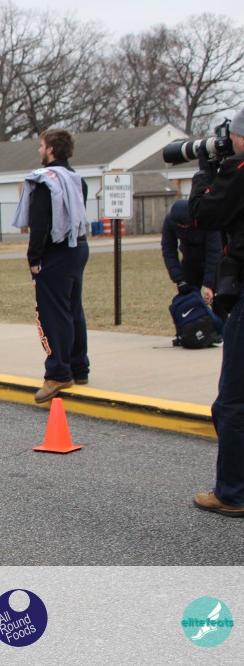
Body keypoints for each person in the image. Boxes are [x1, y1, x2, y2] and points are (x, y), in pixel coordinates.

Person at [188, 107, 244, 517]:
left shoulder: (237, 171)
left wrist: (206, 171)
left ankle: (232, 493)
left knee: (233, 402)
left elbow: (203, 215)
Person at [12, 128, 90, 403]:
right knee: (73, 309)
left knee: (53, 314)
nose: (39, 150)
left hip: (55, 252)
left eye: (41, 145)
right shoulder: (77, 180)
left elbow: (40, 223)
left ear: (51, 149)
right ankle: (79, 368)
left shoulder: (45, 181)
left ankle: (58, 373)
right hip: (78, 247)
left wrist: (33, 258)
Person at [161, 199, 220, 308]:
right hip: (190, 262)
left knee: (218, 303)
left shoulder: (207, 220)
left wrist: (209, 285)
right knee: (188, 301)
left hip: (214, 262)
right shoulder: (170, 221)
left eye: (186, 225)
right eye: (180, 226)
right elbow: (168, 250)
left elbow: (214, 252)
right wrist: (179, 279)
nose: (183, 227)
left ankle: (220, 317)